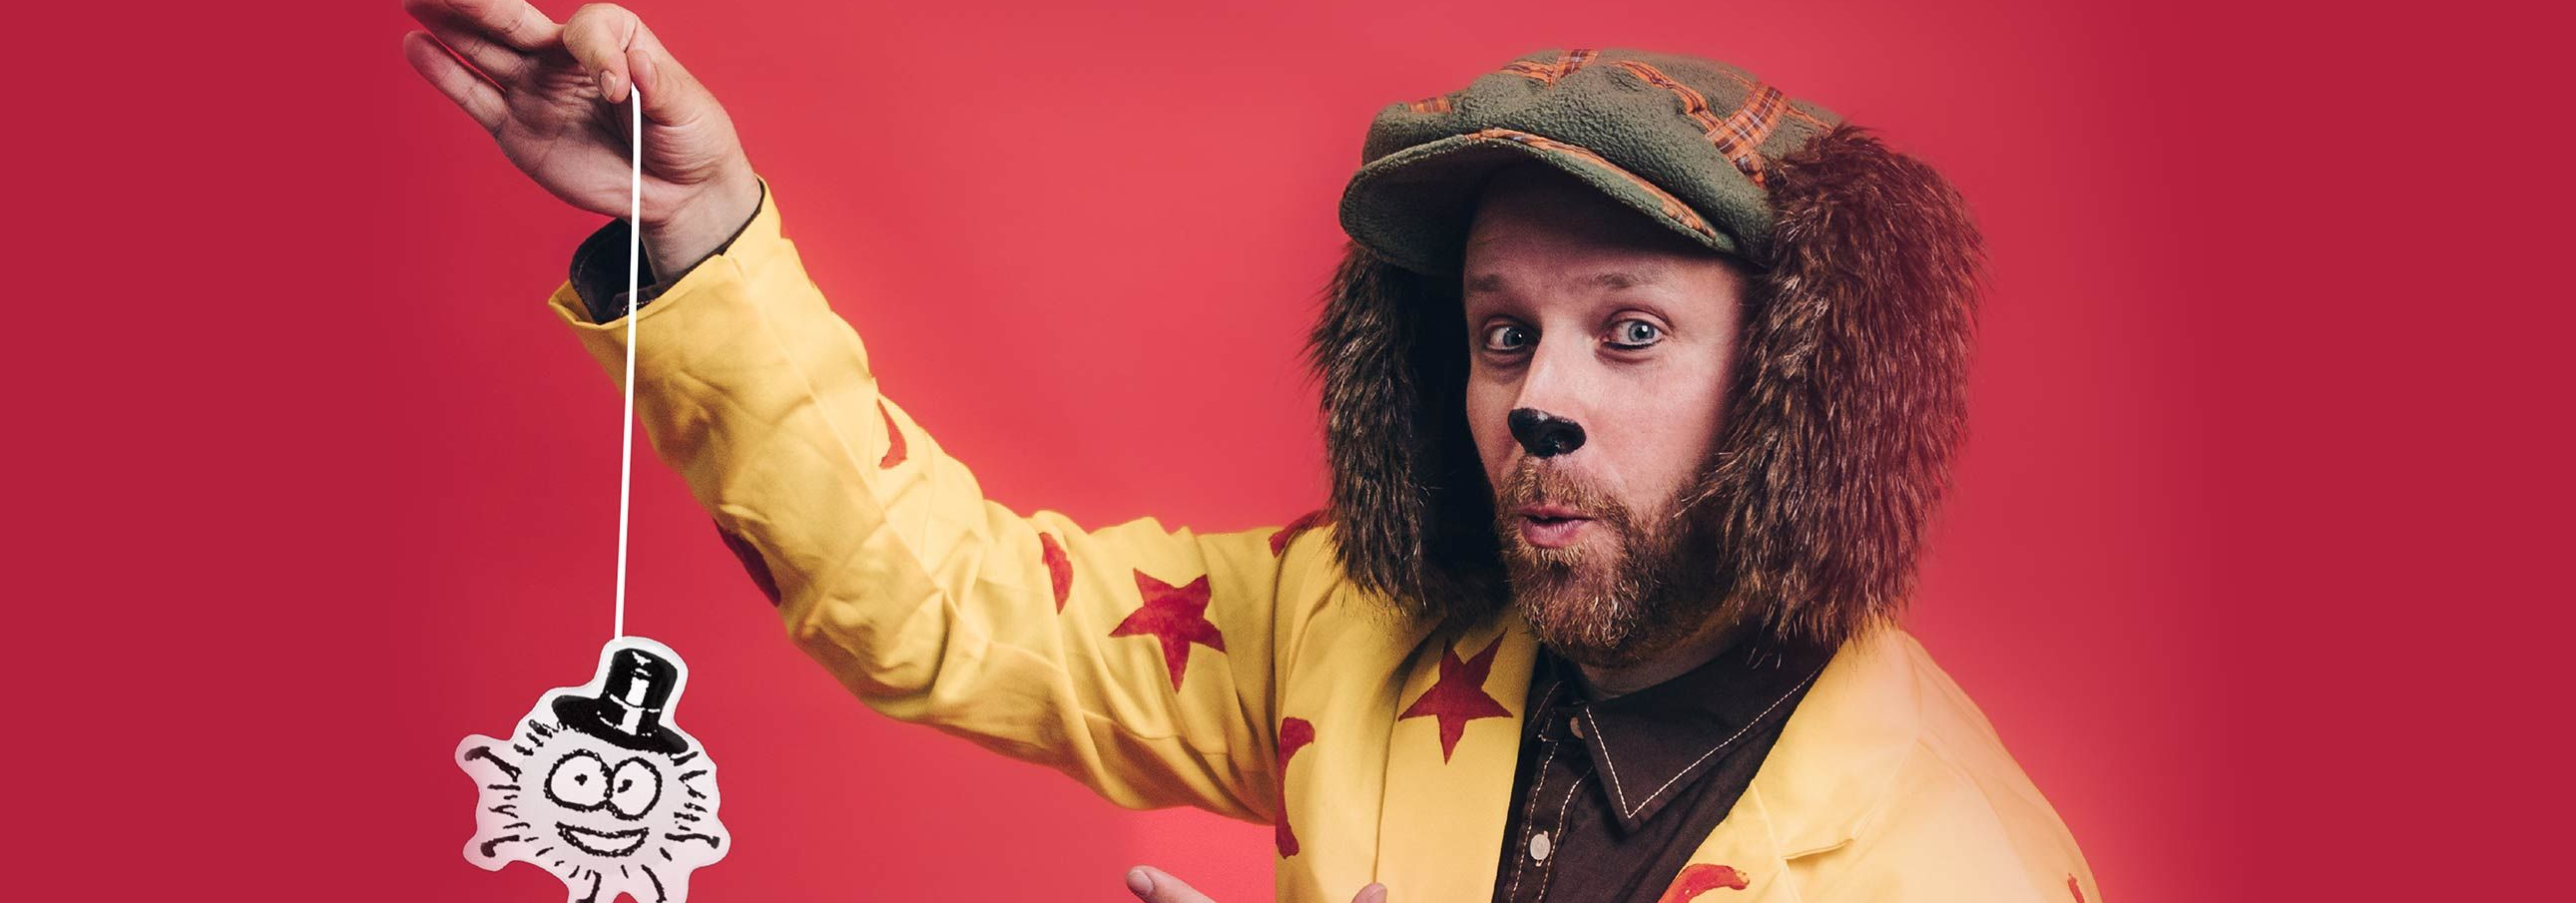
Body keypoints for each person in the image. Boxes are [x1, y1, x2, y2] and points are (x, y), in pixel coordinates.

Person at [401, 2, 2099, 900]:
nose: (1539, 399)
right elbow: (944, 603)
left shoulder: (1956, 869)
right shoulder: (1341, 625)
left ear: (1801, 385)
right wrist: (698, 230)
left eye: (1631, 332)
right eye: (1501, 332)